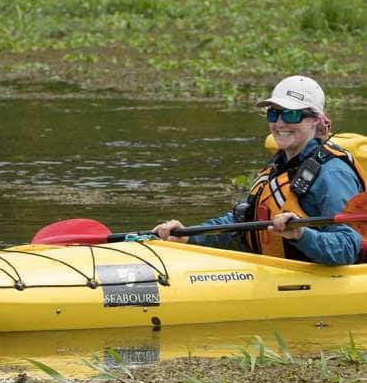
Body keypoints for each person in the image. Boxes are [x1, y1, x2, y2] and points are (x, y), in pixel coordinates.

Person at [153, 75, 366, 266]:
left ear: (315, 121)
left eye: (291, 115)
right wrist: (188, 235)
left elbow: (347, 246)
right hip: (276, 272)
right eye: (273, 114)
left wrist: (300, 234)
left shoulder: (333, 174)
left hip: (318, 281)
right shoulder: (280, 165)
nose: (279, 123)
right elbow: (243, 220)